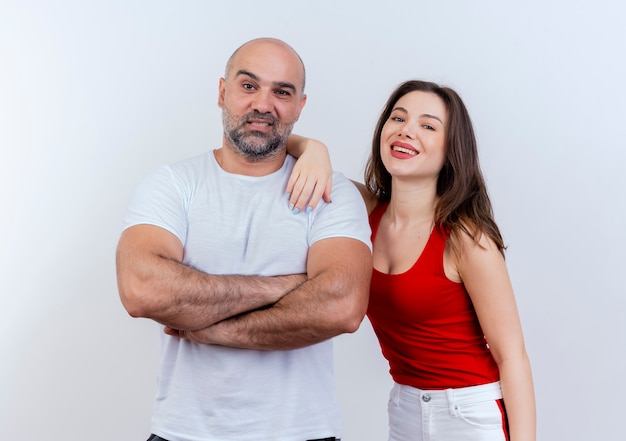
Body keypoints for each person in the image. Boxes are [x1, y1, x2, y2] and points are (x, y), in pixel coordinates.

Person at [115, 37, 372, 441]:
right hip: (184, 433)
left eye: (282, 92)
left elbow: (342, 305)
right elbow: (144, 290)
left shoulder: (330, 192)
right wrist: (289, 285)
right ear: (222, 92)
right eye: (249, 86)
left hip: (302, 432)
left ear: (300, 106)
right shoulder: (173, 185)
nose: (263, 105)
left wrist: (213, 329)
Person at [288, 80, 536, 441]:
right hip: (405, 410)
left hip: (470, 414)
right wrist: (315, 148)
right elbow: (293, 156)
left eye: (428, 125)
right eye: (398, 118)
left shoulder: (467, 239)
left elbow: (512, 356)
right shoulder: (362, 211)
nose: (407, 131)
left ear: (451, 150)